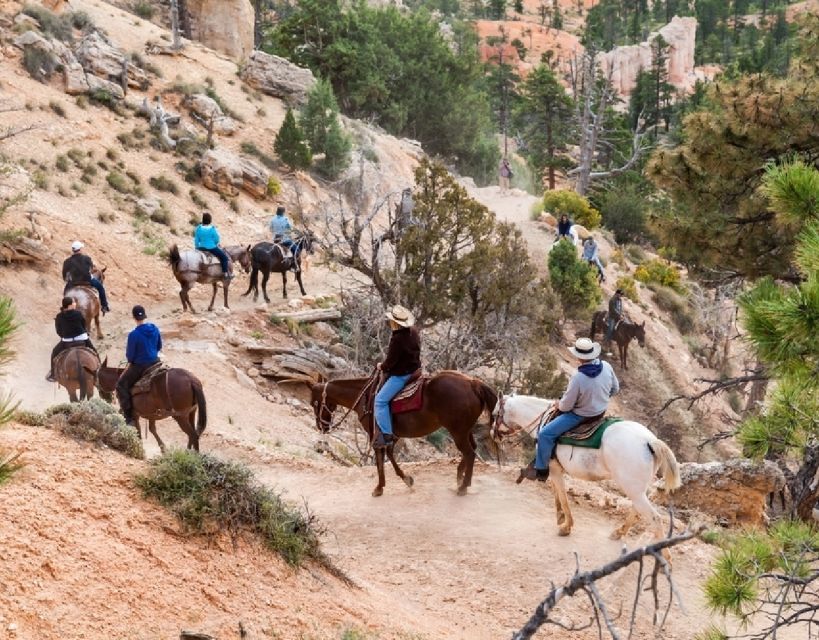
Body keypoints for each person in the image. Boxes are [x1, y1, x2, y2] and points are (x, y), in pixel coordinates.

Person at [518, 337, 619, 482]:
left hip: (580, 416)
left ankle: (541, 470)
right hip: (600, 412)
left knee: (545, 434)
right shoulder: (606, 366)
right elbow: (615, 388)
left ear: (579, 356)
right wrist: (599, 397)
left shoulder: (578, 377)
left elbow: (567, 406)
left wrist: (559, 404)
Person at [373, 305, 422, 448]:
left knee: (380, 401)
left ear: (395, 322)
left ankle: (387, 435)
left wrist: (381, 366)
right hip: (416, 370)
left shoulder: (397, 339)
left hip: (402, 375)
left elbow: (390, 363)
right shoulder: (414, 331)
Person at [117, 305, 162, 427]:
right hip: (156, 362)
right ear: (144, 315)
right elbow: (159, 346)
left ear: (133, 317)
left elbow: (130, 356)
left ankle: (129, 417)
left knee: (120, 385)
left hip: (141, 366)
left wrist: (133, 360)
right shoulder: (155, 328)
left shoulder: (134, 334)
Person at [46, 296, 97, 382]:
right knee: (94, 351)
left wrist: (65, 335)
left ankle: (53, 374)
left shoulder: (59, 316)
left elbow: (58, 331)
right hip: (81, 339)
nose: (75, 304)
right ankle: (98, 370)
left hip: (67, 341)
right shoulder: (78, 313)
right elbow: (83, 325)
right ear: (70, 306)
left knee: (54, 352)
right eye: (73, 303)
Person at [62, 241, 110, 314]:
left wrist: (68, 280)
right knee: (101, 288)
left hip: (73, 282)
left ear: (73, 250)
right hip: (87, 280)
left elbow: (64, 274)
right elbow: (91, 269)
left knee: (65, 293)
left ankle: (64, 308)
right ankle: (104, 306)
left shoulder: (67, 261)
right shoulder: (87, 258)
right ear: (80, 249)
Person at [194, 212, 233, 279]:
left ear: (203, 220)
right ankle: (225, 274)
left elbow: (196, 239)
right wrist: (215, 244)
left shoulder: (198, 228)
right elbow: (217, 239)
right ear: (210, 220)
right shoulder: (212, 229)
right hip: (211, 247)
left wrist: (197, 247)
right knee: (224, 258)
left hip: (200, 247)